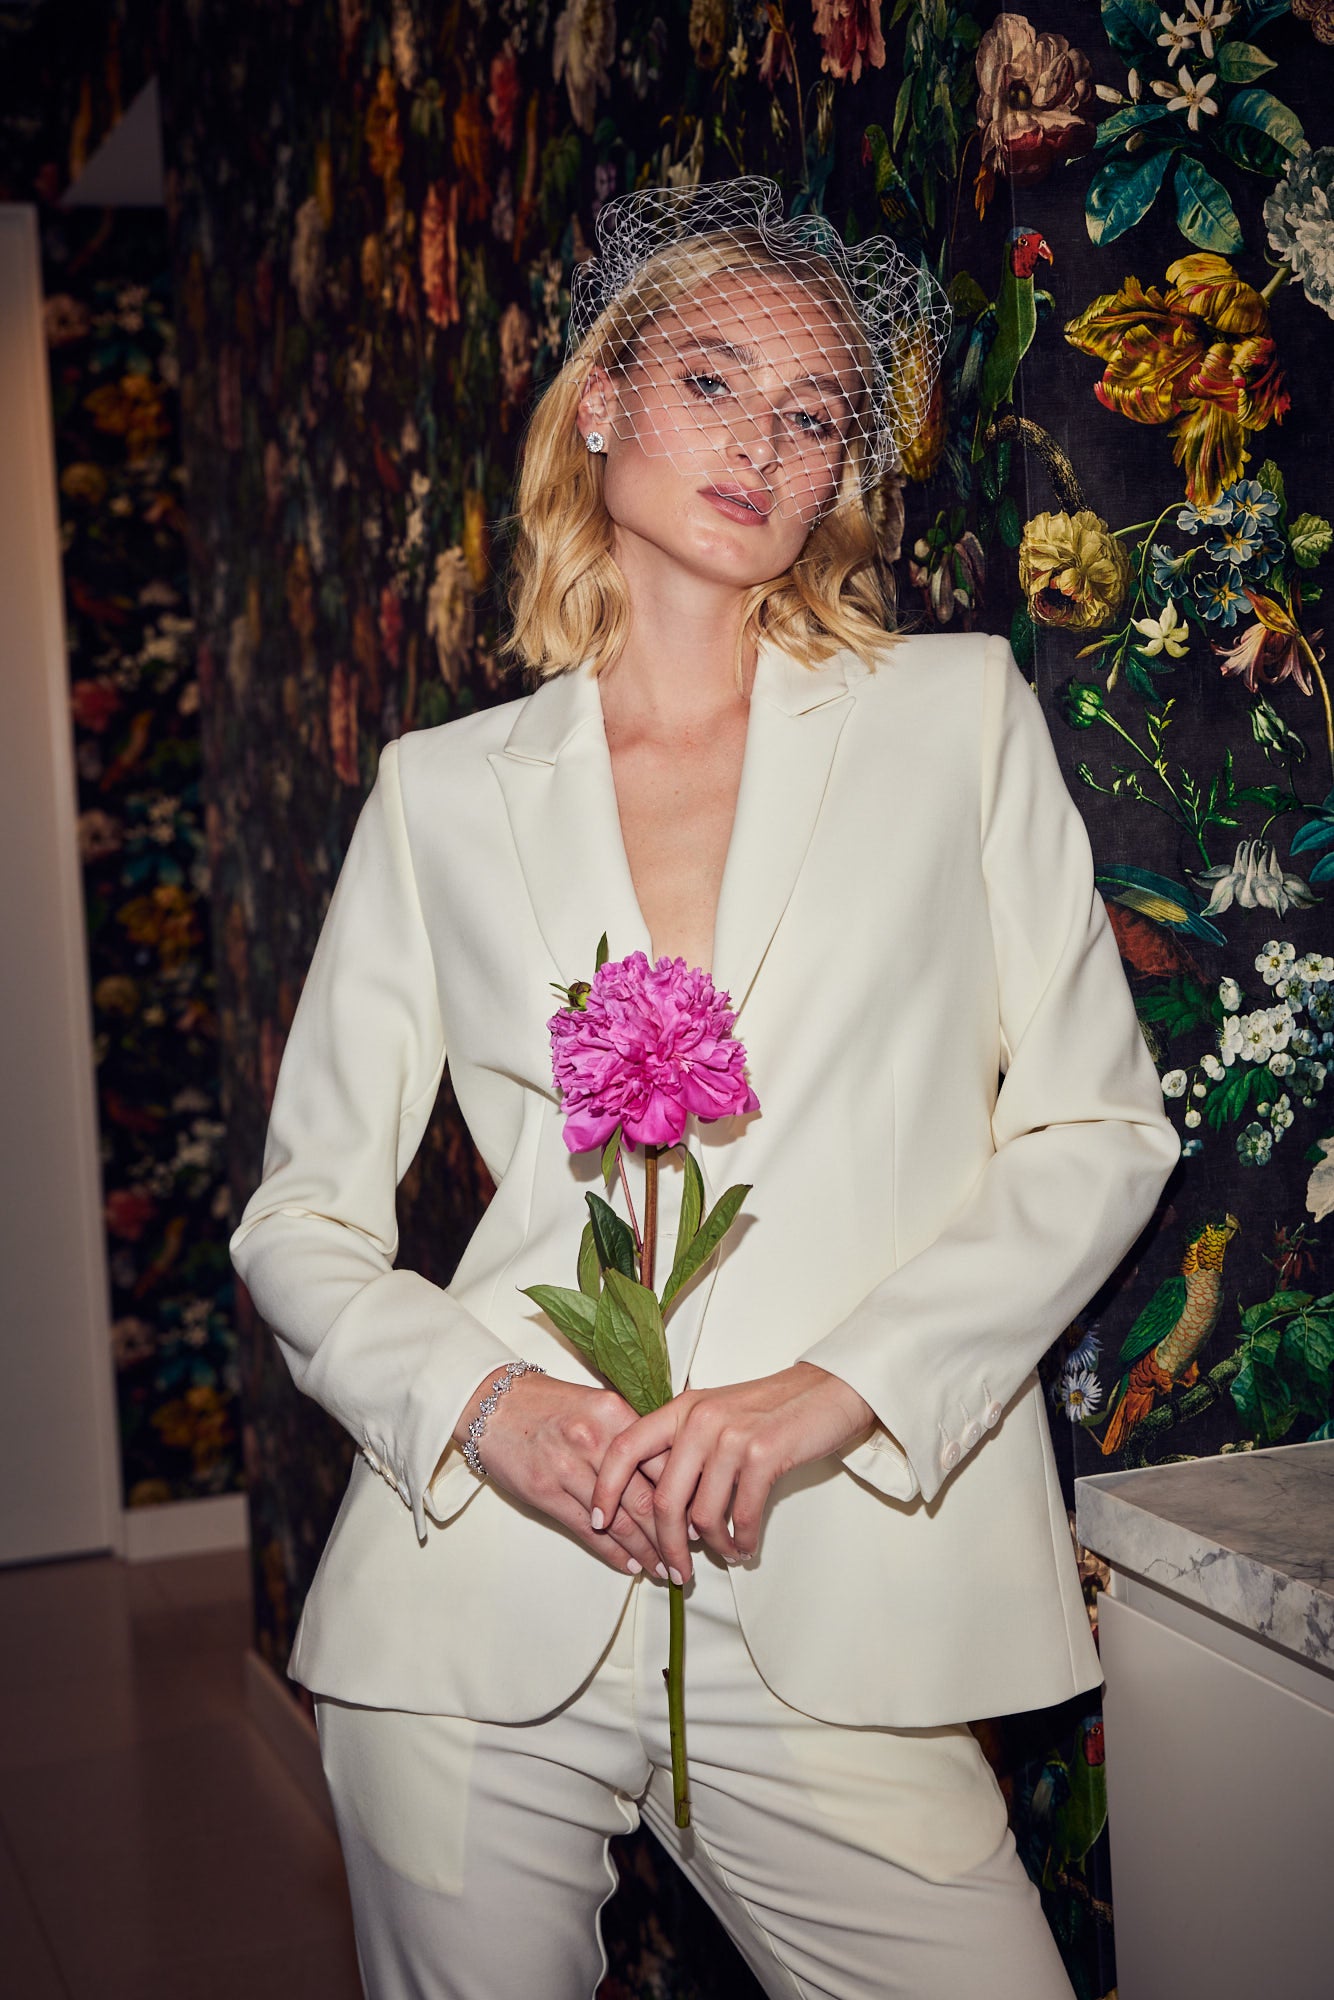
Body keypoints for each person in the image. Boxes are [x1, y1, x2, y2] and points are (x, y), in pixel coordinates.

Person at [229, 177, 1181, 2000]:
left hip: (842, 1584)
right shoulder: (442, 794)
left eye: (812, 415)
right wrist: (485, 1407)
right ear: (602, 401)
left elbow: (1093, 1128)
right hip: (479, 1597)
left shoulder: (954, 717)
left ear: (839, 477)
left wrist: (838, 1394)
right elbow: (301, 1221)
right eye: (711, 383)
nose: (758, 444)